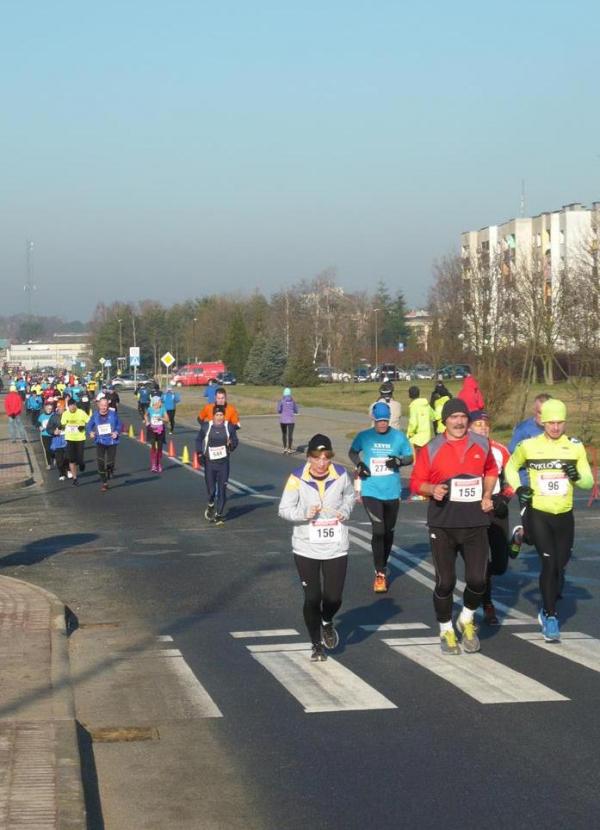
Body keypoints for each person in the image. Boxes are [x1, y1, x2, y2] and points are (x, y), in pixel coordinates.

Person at [409, 398, 498, 654]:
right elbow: (416, 482)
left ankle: (467, 618)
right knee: (445, 582)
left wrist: (488, 494)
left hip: (475, 522)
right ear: (445, 421)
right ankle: (446, 629)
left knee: (478, 580)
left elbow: (491, 470)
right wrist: (432, 489)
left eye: (463, 418)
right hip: (443, 523)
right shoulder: (431, 448)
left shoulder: (482, 443)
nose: (459, 422)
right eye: (453, 418)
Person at [504, 399, 593, 642]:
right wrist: (520, 487)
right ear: (543, 421)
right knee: (549, 564)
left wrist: (577, 477)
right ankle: (550, 615)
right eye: (551, 422)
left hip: (564, 515)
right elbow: (510, 467)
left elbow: (588, 482)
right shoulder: (529, 446)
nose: (555, 427)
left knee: (560, 564)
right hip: (539, 512)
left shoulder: (574, 447)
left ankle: (546, 608)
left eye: (560, 422)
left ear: (565, 422)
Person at [279, 433, 355, 662]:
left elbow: (350, 497)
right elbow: (284, 509)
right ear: (309, 458)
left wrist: (345, 510)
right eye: (317, 458)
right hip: (306, 547)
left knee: (333, 598)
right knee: (312, 598)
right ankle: (316, 645)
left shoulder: (341, 475)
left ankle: (327, 621)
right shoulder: (296, 478)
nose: (322, 463)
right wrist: (304, 514)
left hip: (336, 546)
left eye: (326, 458)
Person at [349, 402, 413, 592]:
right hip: (371, 490)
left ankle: (382, 565)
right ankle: (380, 573)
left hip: (392, 491)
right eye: (379, 421)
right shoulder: (364, 436)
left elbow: (410, 457)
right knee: (378, 530)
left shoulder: (398, 437)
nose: (382, 424)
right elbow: (352, 452)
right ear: (373, 420)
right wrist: (359, 464)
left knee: (388, 531)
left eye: (385, 421)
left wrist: (399, 461)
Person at [469, 410, 514, 625]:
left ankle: (517, 538)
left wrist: (504, 498)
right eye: (478, 424)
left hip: (496, 505)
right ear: (469, 427)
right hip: (472, 507)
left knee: (500, 564)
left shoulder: (500, 450)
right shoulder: (463, 449)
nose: (483, 427)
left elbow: (514, 478)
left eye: (486, 424)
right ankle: (487, 604)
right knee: (480, 561)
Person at [196, 404, 239, 525]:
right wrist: (199, 454)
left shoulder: (229, 427)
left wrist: (231, 445)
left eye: (221, 415)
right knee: (211, 490)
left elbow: (235, 441)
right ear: (213, 416)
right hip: (210, 463)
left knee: (222, 490)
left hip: (224, 464)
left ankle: (219, 515)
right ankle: (210, 504)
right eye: (217, 415)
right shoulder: (206, 427)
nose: (219, 417)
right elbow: (198, 440)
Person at [87, 397, 122, 491]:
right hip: (100, 441)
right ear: (98, 405)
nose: (103, 407)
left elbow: (119, 425)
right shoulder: (95, 415)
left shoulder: (113, 414)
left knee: (110, 462)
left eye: (105, 405)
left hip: (112, 441)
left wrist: (116, 432)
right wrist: (90, 432)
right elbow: (89, 425)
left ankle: (110, 470)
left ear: (108, 405)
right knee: (100, 462)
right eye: (102, 405)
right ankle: (104, 482)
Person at [61, 398, 90, 485]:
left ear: (75, 405)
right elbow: (63, 424)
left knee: (80, 458)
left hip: (80, 438)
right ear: (68, 406)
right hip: (69, 438)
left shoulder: (81, 412)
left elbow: (89, 421)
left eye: (73, 405)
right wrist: (60, 428)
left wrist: (83, 426)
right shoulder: (65, 414)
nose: (72, 407)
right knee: (71, 459)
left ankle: (81, 464)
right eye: (70, 406)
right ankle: (75, 479)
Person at [406, 386, 435, 462]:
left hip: (417, 439)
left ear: (409, 395)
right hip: (427, 437)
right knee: (425, 460)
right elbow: (434, 416)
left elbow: (413, 422)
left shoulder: (413, 406)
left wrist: (410, 433)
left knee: (417, 462)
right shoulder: (426, 405)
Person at [145, 396, 169, 473]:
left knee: (159, 448)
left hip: (160, 430)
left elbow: (167, 419)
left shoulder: (163, 409)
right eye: (160, 401)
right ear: (156, 402)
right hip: (152, 429)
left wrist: (161, 418)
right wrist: (147, 422)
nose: (161, 403)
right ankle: (153, 465)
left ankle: (159, 464)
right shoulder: (150, 409)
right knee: (153, 447)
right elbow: (146, 415)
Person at [277, 387, 299, 454]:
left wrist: (282, 411)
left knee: (284, 434)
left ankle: (284, 448)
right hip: (291, 420)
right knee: (290, 435)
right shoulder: (293, 401)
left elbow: (279, 410)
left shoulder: (281, 401)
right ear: (290, 394)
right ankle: (289, 449)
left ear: (284, 393)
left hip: (283, 420)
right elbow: (296, 410)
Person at [38, 400, 56, 470]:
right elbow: (38, 423)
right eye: (48, 409)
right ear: (45, 408)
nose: (49, 410)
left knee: (53, 449)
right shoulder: (42, 416)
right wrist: (40, 427)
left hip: (53, 435)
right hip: (44, 435)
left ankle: (54, 457)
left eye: (51, 409)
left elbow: (58, 423)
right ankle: (48, 464)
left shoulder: (54, 415)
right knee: (47, 450)